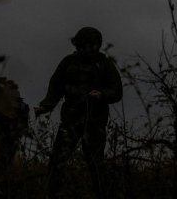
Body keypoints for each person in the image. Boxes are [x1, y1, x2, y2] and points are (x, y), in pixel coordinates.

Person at [35, 26, 122, 198]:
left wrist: (102, 94)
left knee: (95, 163)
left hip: (95, 122)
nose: (87, 49)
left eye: (92, 45)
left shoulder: (104, 64)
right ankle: (50, 194)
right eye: (83, 46)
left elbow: (117, 91)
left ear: (97, 45)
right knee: (57, 161)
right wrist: (45, 106)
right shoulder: (68, 63)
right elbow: (55, 88)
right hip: (70, 120)